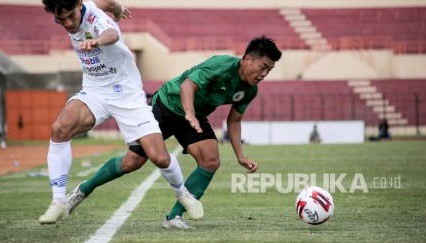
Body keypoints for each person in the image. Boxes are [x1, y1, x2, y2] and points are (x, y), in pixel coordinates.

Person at [66, 35, 282, 229]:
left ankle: (174, 217)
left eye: (269, 70)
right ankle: (84, 189)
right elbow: (187, 86)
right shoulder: (220, 65)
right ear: (247, 59)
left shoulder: (250, 90)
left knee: (210, 160)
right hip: (168, 105)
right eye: (263, 66)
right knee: (131, 163)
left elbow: (234, 120)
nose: (264, 74)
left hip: (192, 117)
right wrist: (189, 113)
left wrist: (240, 155)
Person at [38, 0, 202, 224]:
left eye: (72, 16)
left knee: (158, 156)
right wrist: (117, 8)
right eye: (60, 19)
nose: (69, 24)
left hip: (126, 92)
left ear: (80, 5)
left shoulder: (94, 17)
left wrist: (97, 40)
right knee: (60, 128)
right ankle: (58, 201)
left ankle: (183, 194)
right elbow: (110, 2)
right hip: (95, 89)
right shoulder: (84, 7)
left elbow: (112, 33)